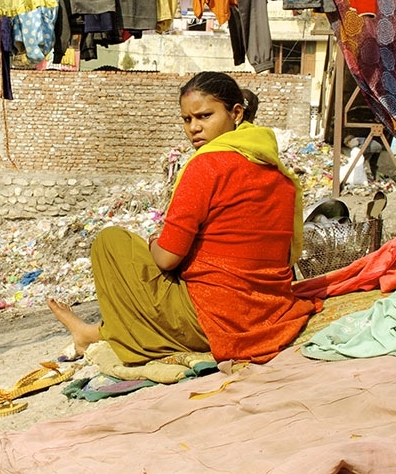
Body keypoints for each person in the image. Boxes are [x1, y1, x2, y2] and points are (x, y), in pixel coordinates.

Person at [48, 72, 316, 365]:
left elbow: (167, 260)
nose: (194, 128)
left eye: (204, 116)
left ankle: (99, 335)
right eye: (187, 120)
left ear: (236, 113)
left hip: (214, 321)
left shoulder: (206, 165)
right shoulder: (276, 170)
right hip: (268, 313)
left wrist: (154, 242)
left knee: (111, 242)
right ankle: (93, 333)